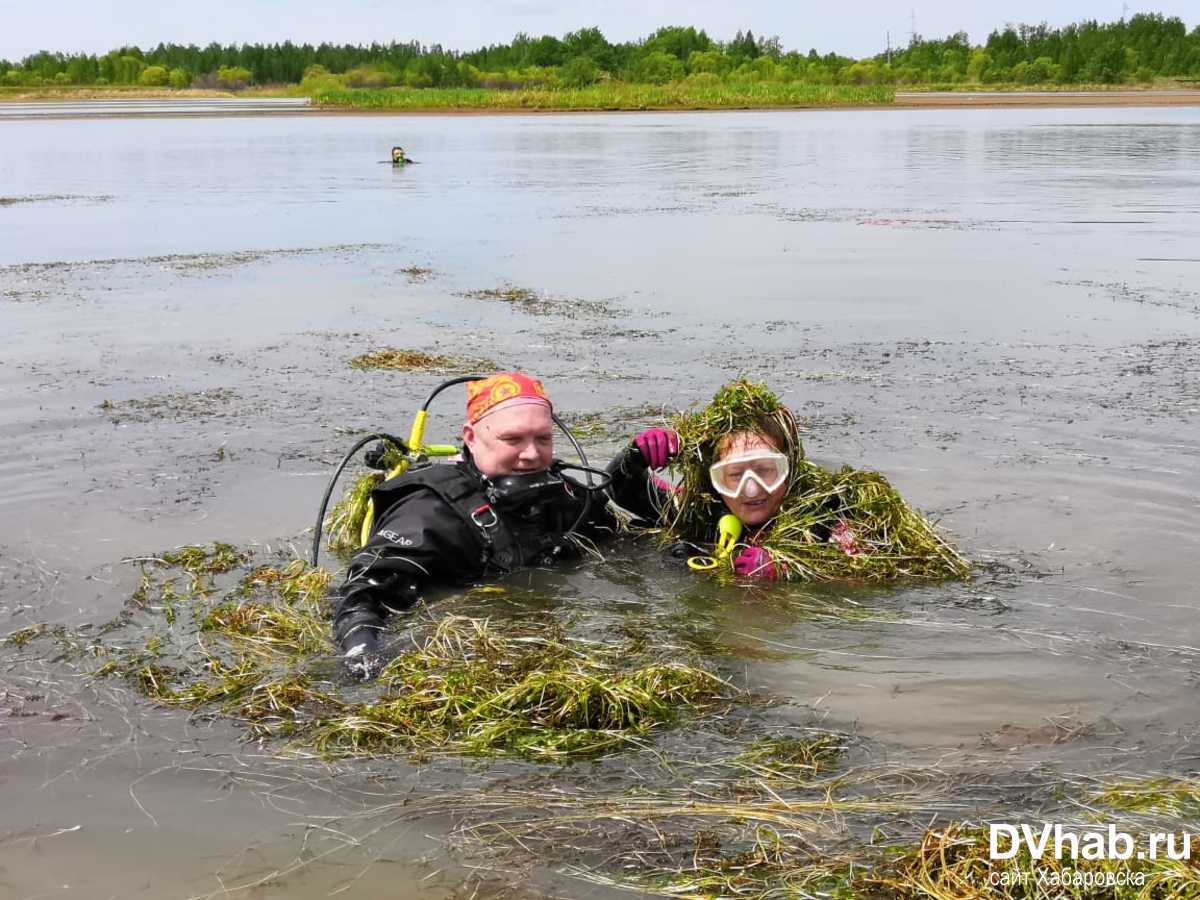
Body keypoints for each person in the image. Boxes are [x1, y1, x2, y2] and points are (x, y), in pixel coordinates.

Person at [332, 372, 677, 678]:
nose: (531, 455)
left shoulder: (564, 496)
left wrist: (630, 470)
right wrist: (364, 651)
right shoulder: (429, 513)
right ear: (470, 436)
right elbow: (361, 596)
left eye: (542, 439)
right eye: (513, 440)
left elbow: (631, 536)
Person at [657, 379, 969, 583]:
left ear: (790, 469)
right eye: (735, 475)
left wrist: (789, 567)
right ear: (715, 481)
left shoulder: (828, 519)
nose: (750, 489)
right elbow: (625, 493)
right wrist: (632, 458)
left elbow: (886, 571)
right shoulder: (698, 507)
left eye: (766, 470)